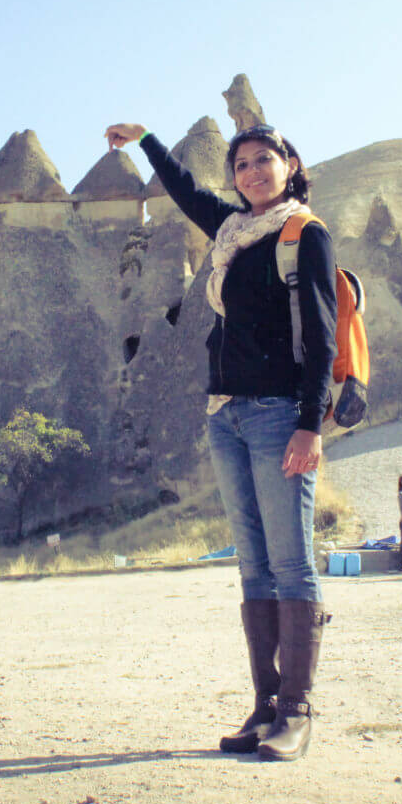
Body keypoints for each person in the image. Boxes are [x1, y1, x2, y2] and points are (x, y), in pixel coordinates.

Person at [106, 120, 334, 763]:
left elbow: (322, 339)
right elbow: (185, 192)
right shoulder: (235, 232)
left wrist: (309, 424)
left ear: (289, 165)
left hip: (277, 413)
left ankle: (297, 709)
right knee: (253, 565)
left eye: (265, 160)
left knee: (292, 563)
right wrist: (149, 140)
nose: (253, 172)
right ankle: (264, 707)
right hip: (226, 413)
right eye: (242, 165)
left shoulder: (303, 235)